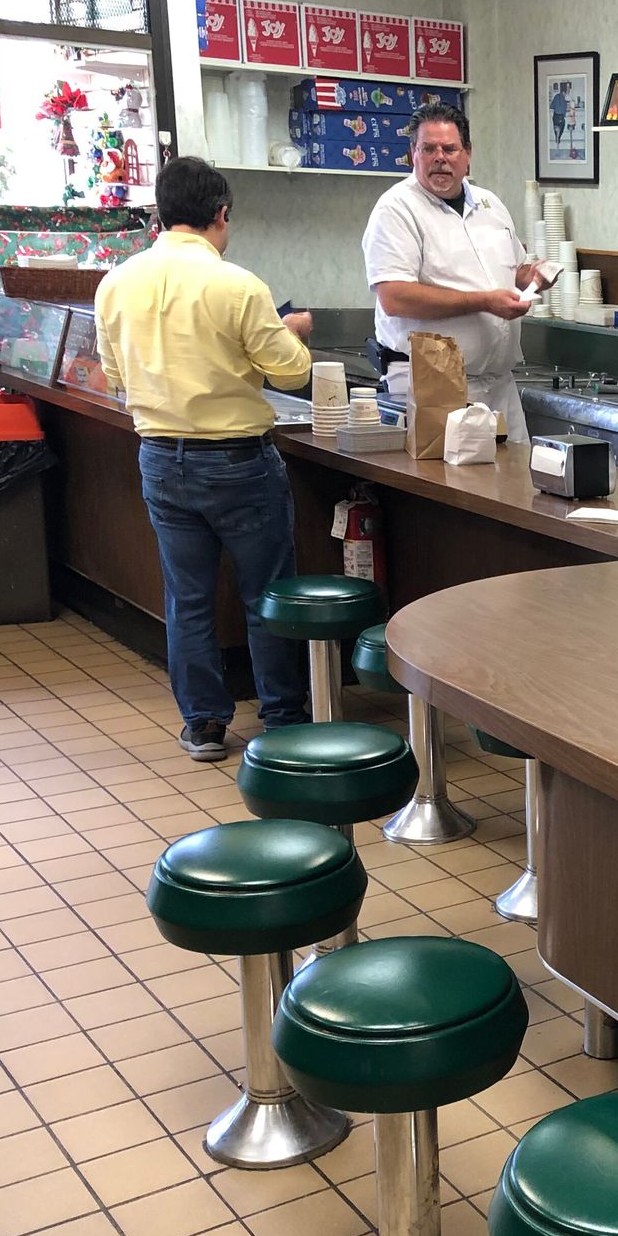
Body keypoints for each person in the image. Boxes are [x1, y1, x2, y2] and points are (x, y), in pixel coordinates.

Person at [95, 156, 314, 761]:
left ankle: (204, 725)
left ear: (161, 215)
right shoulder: (238, 285)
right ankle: (284, 720)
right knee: (265, 592)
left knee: (186, 597)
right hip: (239, 461)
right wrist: (290, 329)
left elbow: (115, 377)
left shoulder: (116, 283)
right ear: (221, 214)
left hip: (161, 458)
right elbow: (290, 371)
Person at [361, 101, 553, 440]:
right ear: (412, 154)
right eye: (428, 148)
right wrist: (483, 301)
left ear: (467, 154)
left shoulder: (489, 204)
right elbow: (395, 297)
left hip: (498, 385)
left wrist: (533, 277)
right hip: (432, 385)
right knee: (450, 489)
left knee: (514, 489)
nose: (440, 158)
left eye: (450, 148)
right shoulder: (396, 209)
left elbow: (513, 270)